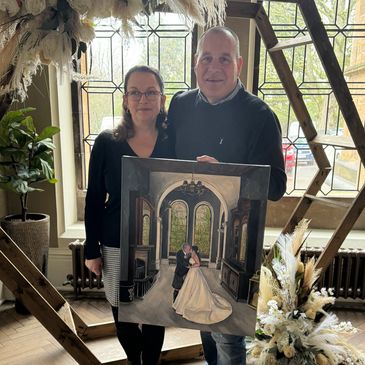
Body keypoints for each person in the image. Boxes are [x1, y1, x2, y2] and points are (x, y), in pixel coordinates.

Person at [168, 26, 287, 365]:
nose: (214, 68)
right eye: (206, 58)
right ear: (195, 63)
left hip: (235, 242)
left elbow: (277, 186)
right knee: (205, 323)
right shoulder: (180, 104)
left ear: (238, 63)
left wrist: (227, 173)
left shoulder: (261, 116)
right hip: (191, 234)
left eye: (223, 59)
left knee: (230, 337)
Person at [84, 65, 175, 365]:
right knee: (122, 314)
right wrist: (91, 249)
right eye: (135, 92)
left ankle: (149, 362)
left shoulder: (173, 142)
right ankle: (134, 359)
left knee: (154, 314)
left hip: (161, 246)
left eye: (151, 92)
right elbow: (95, 199)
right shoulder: (107, 143)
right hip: (115, 244)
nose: (143, 99)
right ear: (125, 99)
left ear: (162, 99)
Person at [173, 245, 232, 325]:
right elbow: (185, 261)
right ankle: (183, 302)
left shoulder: (193, 253)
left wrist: (191, 266)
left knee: (197, 288)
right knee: (188, 288)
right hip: (191, 273)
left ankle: (194, 302)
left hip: (195, 272)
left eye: (187, 249)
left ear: (189, 249)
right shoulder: (189, 254)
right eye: (186, 250)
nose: (186, 251)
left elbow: (198, 264)